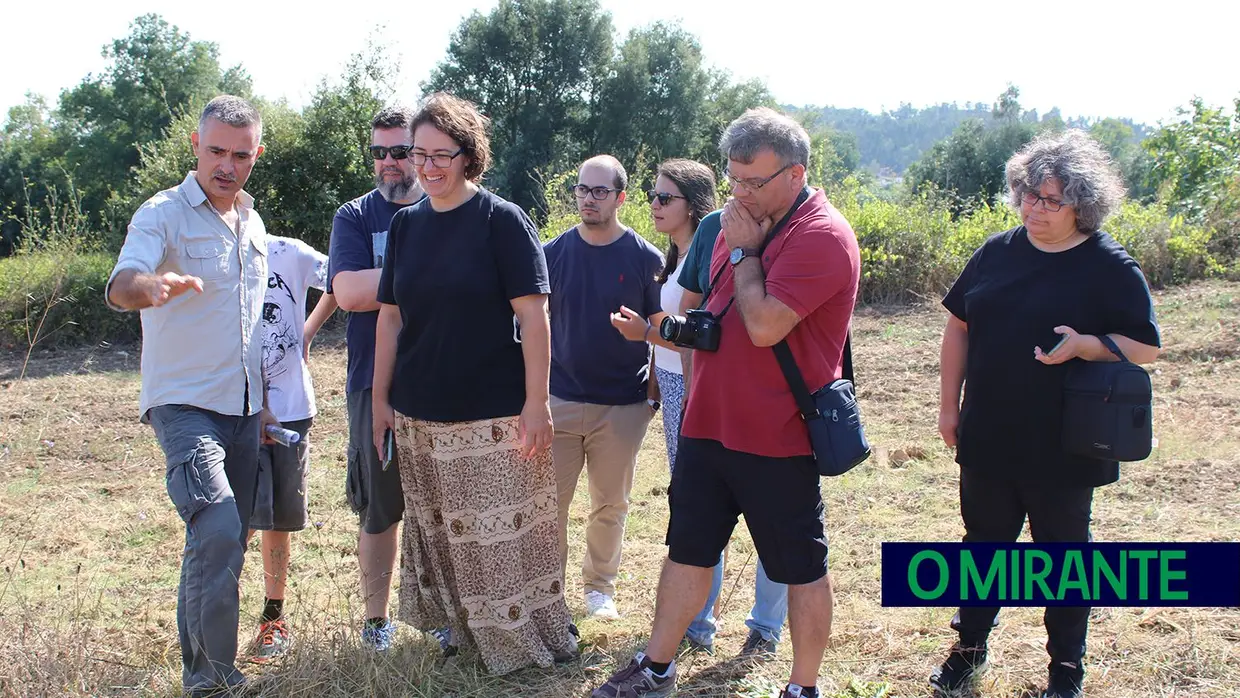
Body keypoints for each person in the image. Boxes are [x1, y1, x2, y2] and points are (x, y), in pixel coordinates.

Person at [593, 106, 860, 698]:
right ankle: (657, 667)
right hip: (708, 424)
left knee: (800, 566)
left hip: (779, 434)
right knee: (686, 550)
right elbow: (710, 320)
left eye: (753, 182)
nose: (739, 193)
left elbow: (764, 325)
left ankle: (802, 686)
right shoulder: (736, 222)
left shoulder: (821, 235)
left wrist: (744, 253)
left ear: (796, 174)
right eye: (733, 178)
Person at [930, 129, 1161, 698]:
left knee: (1063, 556)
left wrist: (1089, 345)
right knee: (984, 544)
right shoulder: (996, 252)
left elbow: (1146, 347)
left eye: (1051, 200)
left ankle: (1065, 670)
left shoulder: (1109, 266)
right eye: (1028, 195)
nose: (1034, 208)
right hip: (989, 430)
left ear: (1083, 203)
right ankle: (968, 652)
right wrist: (947, 407)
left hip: (1066, 441)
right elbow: (958, 327)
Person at [371, 91, 578, 675]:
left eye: (442, 154)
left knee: (502, 540)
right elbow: (390, 317)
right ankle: (462, 634)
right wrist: (381, 401)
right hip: (419, 412)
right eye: (420, 154)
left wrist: (536, 403)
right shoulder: (406, 227)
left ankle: (521, 643)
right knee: (443, 534)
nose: (428, 166)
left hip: (493, 413)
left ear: (469, 156)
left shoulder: (501, 220)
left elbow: (534, 317)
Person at [104, 95, 279, 697]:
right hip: (183, 404)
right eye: (216, 151)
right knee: (218, 526)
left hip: (244, 407)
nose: (226, 165)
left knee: (218, 539)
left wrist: (263, 401)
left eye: (240, 154)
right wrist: (151, 287)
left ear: (256, 154)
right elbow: (122, 283)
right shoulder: (164, 213)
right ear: (195, 147)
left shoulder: (253, 222)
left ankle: (207, 667)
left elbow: (250, 323)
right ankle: (211, 681)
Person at [615, 162, 792, 658]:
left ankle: (766, 629)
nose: (654, 204)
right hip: (695, 392)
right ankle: (698, 624)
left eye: (664, 197)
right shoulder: (712, 232)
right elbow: (690, 325)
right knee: (699, 514)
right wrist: (685, 390)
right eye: (737, 180)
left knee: (774, 521)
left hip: (772, 401)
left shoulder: (806, 229)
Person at [545, 154, 664, 620]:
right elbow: (529, 326)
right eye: (581, 189)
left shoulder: (645, 258)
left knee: (610, 504)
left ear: (621, 197)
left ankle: (599, 590)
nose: (588, 199)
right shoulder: (552, 253)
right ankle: (547, 594)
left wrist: (650, 399)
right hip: (559, 400)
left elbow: (662, 333)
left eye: (598, 191)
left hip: (622, 405)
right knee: (547, 507)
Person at [326, 105, 425, 651]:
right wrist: (431, 274)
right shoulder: (355, 217)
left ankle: (441, 614)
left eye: (400, 151)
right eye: (379, 153)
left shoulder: (445, 208)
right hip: (372, 382)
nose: (389, 163)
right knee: (381, 506)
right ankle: (376, 620)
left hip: (442, 378)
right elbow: (349, 294)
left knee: (442, 504)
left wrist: (387, 280)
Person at [244, 235, 337, 663]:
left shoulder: (289, 251)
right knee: (232, 517)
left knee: (277, 519)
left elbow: (341, 278)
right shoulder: (213, 248)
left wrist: (308, 329)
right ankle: (215, 617)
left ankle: (272, 617)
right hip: (231, 406)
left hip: (291, 409)